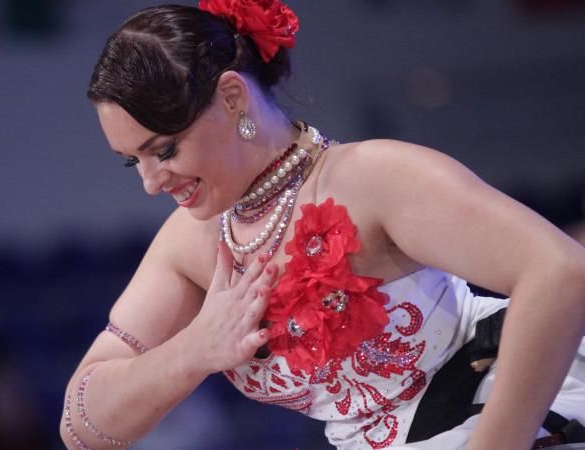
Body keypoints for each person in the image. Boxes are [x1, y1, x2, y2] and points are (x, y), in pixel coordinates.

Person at [60, 1, 585, 449]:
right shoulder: (189, 243)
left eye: (164, 149)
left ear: (232, 97)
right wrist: (193, 350)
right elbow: (79, 425)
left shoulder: (373, 177)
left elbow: (560, 271)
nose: (151, 183)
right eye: (134, 161)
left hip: (505, 411)